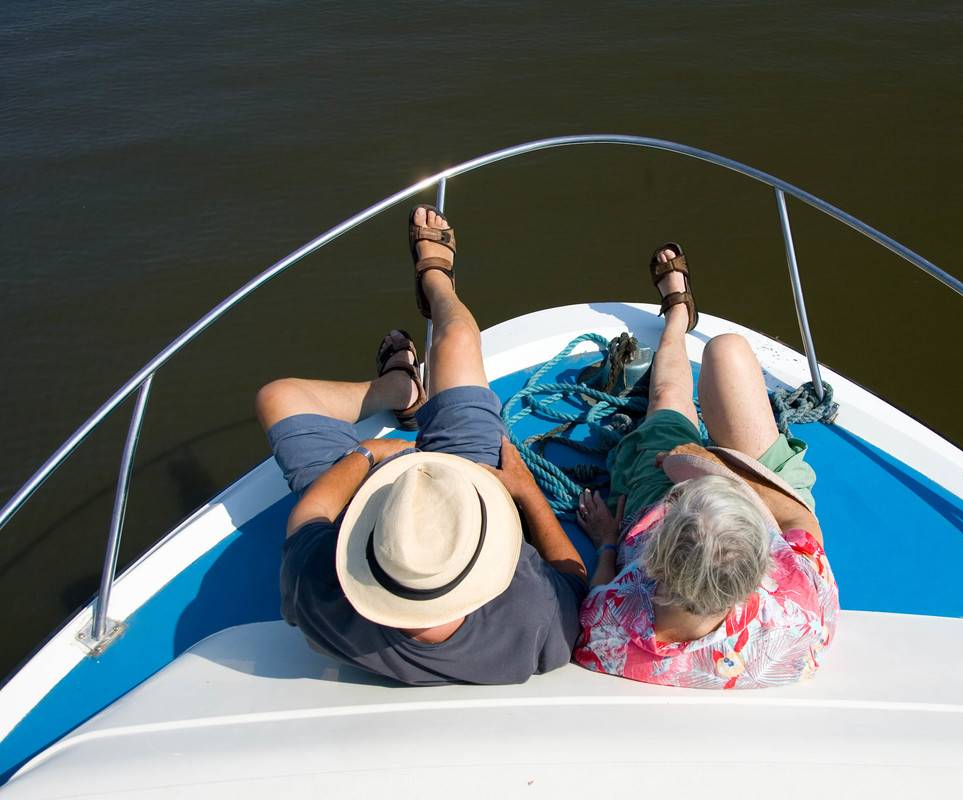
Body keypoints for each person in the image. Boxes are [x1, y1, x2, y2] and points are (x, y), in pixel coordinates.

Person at [255, 205, 587, 685]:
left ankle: (400, 389)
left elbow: (310, 515)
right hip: (457, 491)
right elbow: (572, 576)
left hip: (373, 502)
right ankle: (437, 281)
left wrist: (368, 455)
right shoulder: (534, 620)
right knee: (457, 340)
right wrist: (523, 487)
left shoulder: (319, 596)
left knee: (278, 396)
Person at [572, 243, 839, 689]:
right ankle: (681, 319)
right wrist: (719, 470)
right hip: (771, 499)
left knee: (669, 401)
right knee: (728, 350)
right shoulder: (797, 614)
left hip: (672, 498)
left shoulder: (608, 632)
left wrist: (607, 542)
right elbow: (799, 519)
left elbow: (602, 585)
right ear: (764, 568)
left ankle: (676, 320)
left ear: (653, 561)